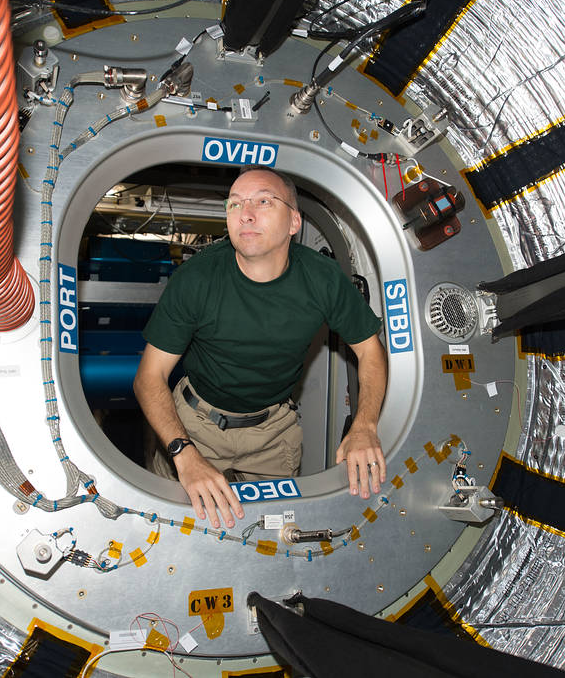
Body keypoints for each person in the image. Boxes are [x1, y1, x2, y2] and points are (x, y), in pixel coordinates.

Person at [133, 166, 388, 529]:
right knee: (174, 530)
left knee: (273, 535)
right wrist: (183, 454)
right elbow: (149, 377)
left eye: (263, 202)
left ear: (294, 222)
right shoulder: (197, 279)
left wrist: (365, 425)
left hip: (273, 431)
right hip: (194, 425)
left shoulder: (324, 279)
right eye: (235, 204)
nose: (246, 214)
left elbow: (370, 351)